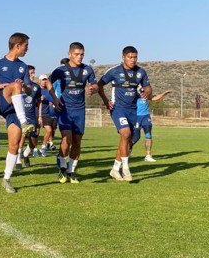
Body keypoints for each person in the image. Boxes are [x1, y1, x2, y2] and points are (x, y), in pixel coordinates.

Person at [0, 33, 35, 193]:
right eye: (26, 46)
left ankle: (6, 179)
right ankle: (25, 122)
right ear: (17, 46)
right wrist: (3, 86)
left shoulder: (23, 67)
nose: (27, 49)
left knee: (14, 144)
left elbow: (30, 92)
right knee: (14, 86)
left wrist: (24, 86)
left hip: (13, 109)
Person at [97, 46, 152, 182]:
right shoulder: (114, 71)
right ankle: (126, 169)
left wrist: (147, 92)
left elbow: (148, 87)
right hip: (118, 108)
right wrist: (105, 101)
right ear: (123, 57)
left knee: (129, 141)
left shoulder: (141, 72)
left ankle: (115, 169)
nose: (133, 60)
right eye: (130, 57)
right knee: (126, 134)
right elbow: (99, 85)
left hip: (133, 110)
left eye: (135, 57)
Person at [45, 42, 97, 183]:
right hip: (65, 110)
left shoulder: (88, 70)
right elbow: (46, 83)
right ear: (69, 54)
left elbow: (95, 85)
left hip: (80, 111)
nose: (79, 57)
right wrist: (54, 98)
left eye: (82, 54)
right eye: (76, 54)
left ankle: (71, 171)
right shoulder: (60, 70)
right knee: (66, 140)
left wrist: (93, 89)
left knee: (77, 142)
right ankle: (62, 168)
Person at [16, 65, 42, 169]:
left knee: (33, 142)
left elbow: (39, 102)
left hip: (32, 116)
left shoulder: (36, 87)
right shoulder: (19, 86)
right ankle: (18, 160)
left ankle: (26, 154)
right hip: (22, 116)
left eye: (33, 73)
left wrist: (39, 116)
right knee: (22, 136)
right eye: (30, 73)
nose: (32, 75)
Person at [136, 88, 173, 161]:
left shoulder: (146, 95)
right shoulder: (133, 95)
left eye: (143, 91)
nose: (142, 93)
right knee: (135, 137)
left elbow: (154, 97)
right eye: (141, 91)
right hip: (136, 117)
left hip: (146, 116)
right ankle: (127, 152)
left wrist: (164, 93)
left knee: (148, 135)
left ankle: (148, 155)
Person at [38, 75, 56, 157]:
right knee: (35, 133)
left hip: (47, 113)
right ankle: (30, 150)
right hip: (38, 114)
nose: (44, 81)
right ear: (40, 81)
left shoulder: (48, 91)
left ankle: (43, 147)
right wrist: (39, 99)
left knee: (49, 131)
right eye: (43, 80)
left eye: (46, 80)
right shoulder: (37, 90)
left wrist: (53, 101)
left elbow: (52, 100)